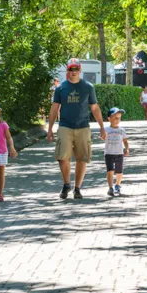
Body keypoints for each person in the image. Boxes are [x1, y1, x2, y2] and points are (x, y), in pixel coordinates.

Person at [47, 57, 106, 200]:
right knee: (62, 157)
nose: (73, 72)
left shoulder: (88, 87)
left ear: (80, 70)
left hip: (83, 127)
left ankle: (77, 188)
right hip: (65, 126)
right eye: (71, 69)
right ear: (67, 71)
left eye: (76, 69)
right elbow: (54, 109)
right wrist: (50, 129)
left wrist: (102, 127)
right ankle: (66, 184)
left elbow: (95, 108)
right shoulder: (61, 88)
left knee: (82, 158)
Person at [103, 107, 130, 197]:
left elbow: (125, 141)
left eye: (119, 118)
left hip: (119, 154)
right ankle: (110, 188)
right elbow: (102, 137)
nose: (117, 120)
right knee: (110, 171)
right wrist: (103, 135)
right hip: (109, 153)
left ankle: (118, 185)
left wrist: (127, 149)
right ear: (109, 118)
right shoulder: (106, 129)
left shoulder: (121, 130)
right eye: (115, 118)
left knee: (119, 171)